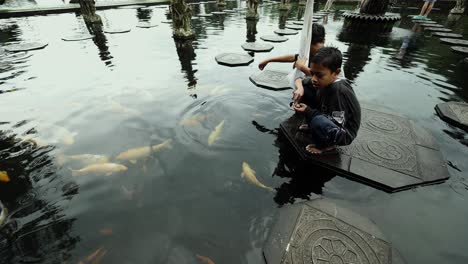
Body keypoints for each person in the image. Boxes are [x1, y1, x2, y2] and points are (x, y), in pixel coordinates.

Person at [292, 47, 361, 155]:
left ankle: (327, 145)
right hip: (328, 116)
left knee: (318, 121)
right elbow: (302, 81)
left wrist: (309, 112)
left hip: (343, 132)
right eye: (312, 73)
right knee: (305, 88)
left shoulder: (338, 91)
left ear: (336, 73)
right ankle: (313, 126)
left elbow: (338, 124)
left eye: (319, 75)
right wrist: (299, 90)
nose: (314, 78)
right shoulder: (323, 81)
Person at [258, 23, 325, 76]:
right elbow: (292, 57)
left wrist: (301, 67)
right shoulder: (308, 51)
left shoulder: (325, 56)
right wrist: (268, 60)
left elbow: (321, 76)